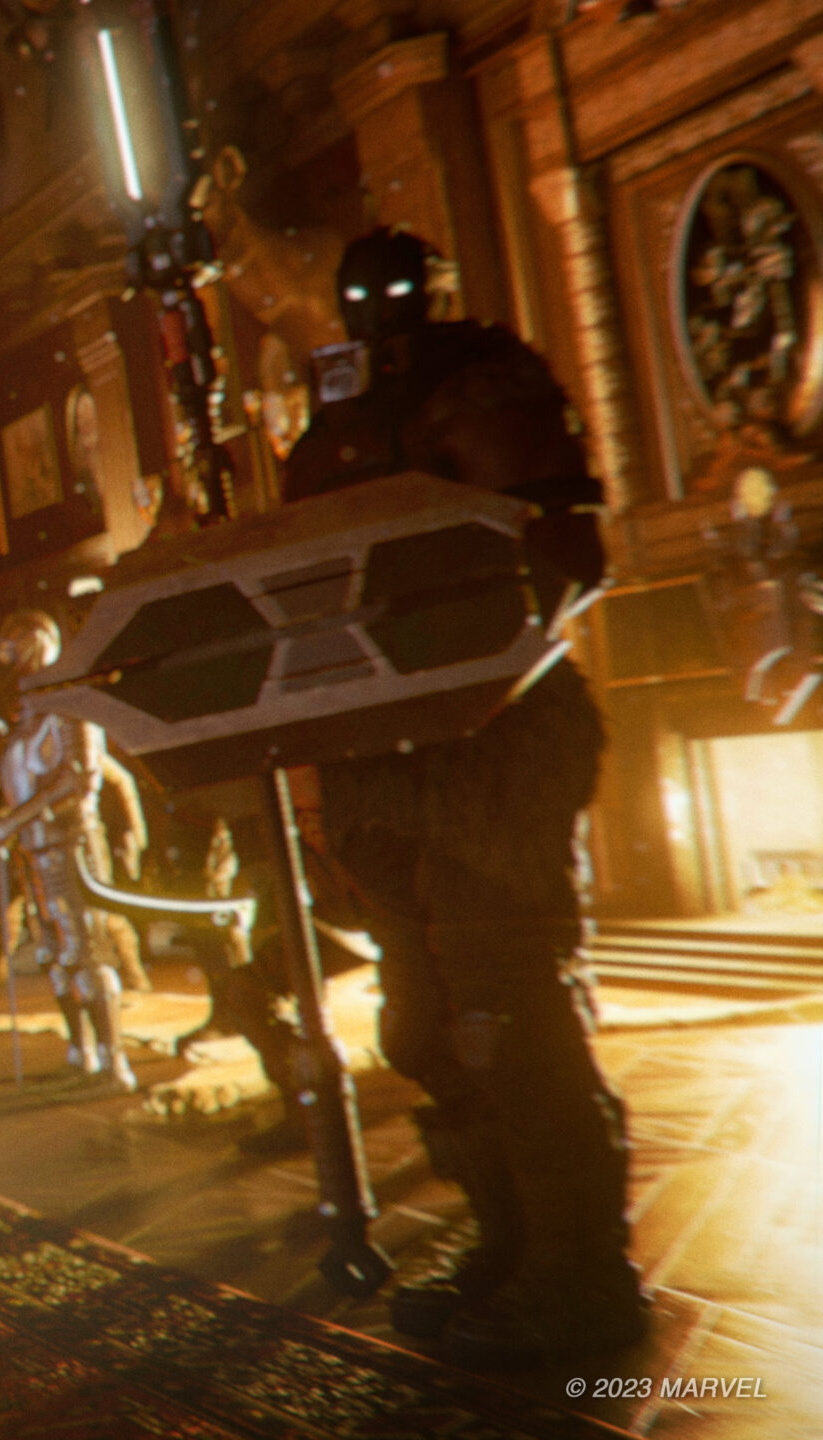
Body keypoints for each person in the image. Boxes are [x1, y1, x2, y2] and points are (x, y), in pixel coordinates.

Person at [283, 226, 640, 1366]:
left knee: (508, 1019)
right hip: (378, 755)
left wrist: (447, 640)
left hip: (491, 740)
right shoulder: (335, 414)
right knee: (423, 1025)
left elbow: (565, 553)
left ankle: (583, 1279)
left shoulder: (486, 379)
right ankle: (509, 1242)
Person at [0, 609, 143, 1091]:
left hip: (71, 842)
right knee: (54, 954)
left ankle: (114, 1062)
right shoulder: (32, 714)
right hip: (36, 849)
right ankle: (82, 1053)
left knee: (87, 952)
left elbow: (79, 778)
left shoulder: (70, 707)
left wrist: (13, 819)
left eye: (16, 646)